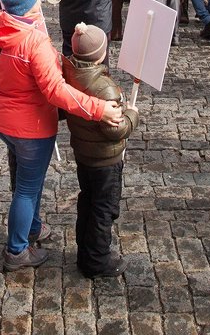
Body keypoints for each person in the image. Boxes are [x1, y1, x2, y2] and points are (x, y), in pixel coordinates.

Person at [0, 0, 124, 270]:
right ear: (30, 3)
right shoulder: (34, 42)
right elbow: (56, 91)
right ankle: (17, 250)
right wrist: (99, 109)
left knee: (21, 179)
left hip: (2, 119)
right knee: (27, 189)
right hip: (31, 127)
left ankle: (32, 229)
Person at [62, 23, 139, 279]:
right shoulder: (104, 88)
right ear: (101, 54)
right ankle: (97, 261)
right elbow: (115, 130)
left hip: (84, 154)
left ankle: (85, 251)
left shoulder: (69, 72)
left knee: (88, 201)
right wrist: (132, 115)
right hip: (105, 159)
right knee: (103, 209)